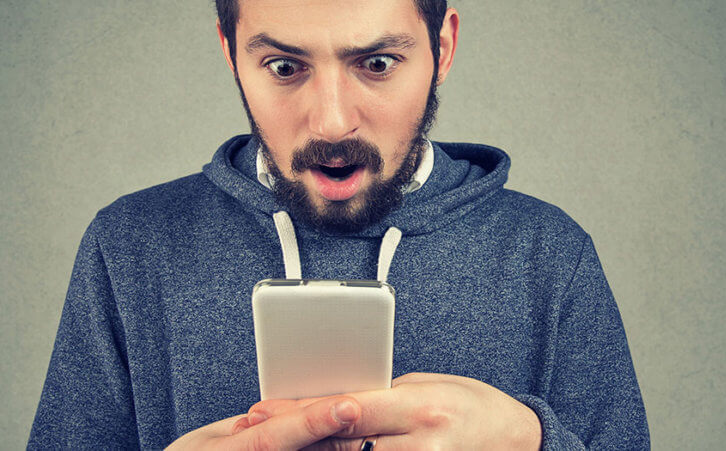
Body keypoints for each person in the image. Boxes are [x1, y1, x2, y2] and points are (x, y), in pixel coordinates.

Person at [28, 0, 650, 449]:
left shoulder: (550, 254)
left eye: (377, 63)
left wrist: (530, 439)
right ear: (228, 49)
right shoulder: (131, 245)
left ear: (442, 49)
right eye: (283, 67)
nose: (330, 122)